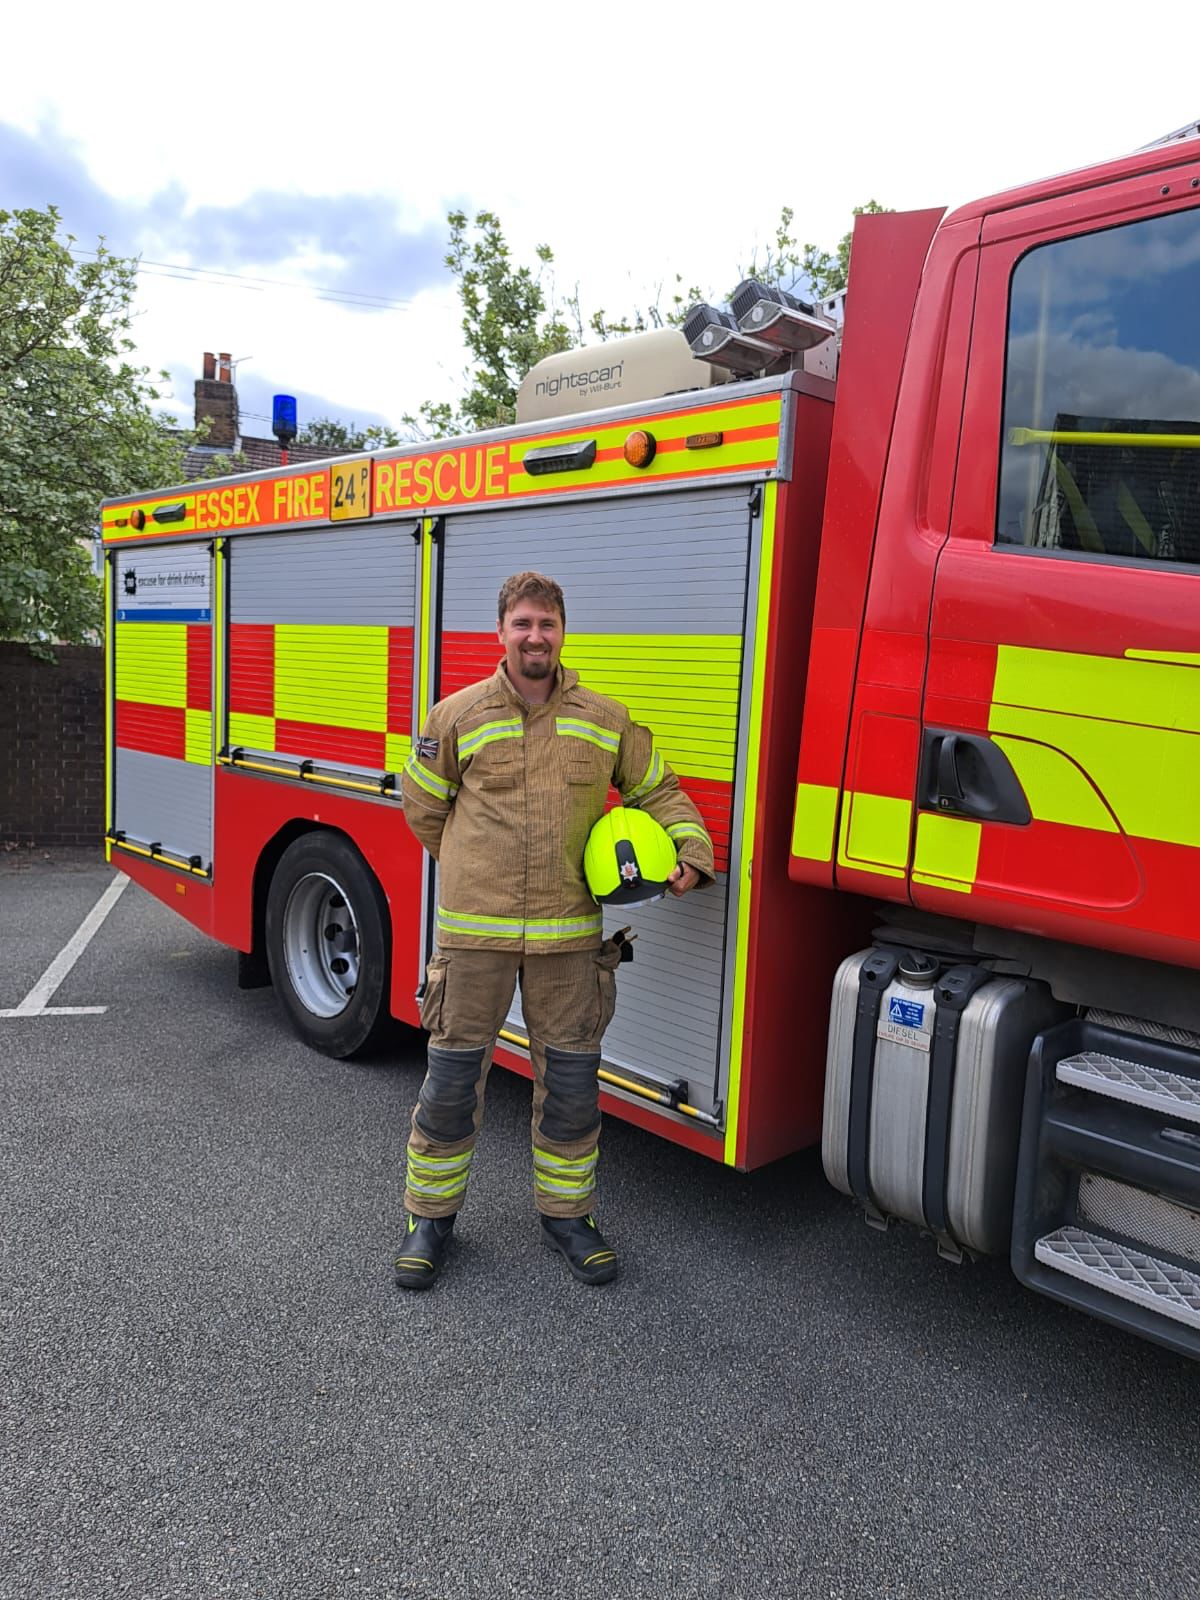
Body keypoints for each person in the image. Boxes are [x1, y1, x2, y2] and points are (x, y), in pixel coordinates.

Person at [394, 570, 714, 1289]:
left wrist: (689, 853)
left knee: (569, 1085)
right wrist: (474, 866)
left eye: (547, 624)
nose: (535, 636)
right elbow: (423, 809)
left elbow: (658, 790)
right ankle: (428, 1219)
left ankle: (568, 1217)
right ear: (500, 633)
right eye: (523, 624)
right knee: (449, 1084)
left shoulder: (603, 718)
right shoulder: (456, 716)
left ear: (563, 632)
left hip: (570, 942)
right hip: (474, 939)